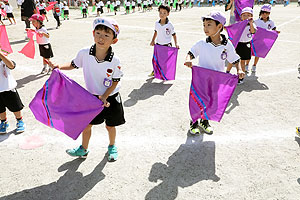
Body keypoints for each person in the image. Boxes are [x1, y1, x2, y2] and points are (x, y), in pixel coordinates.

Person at [48, 17, 125, 162]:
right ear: (93, 33)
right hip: (92, 98)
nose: (101, 38)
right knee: (87, 125)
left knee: (110, 126)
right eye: (98, 33)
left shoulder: (115, 61)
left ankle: (112, 146)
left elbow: (115, 82)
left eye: (106, 35)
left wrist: (105, 96)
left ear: (114, 40)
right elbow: (73, 64)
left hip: (111, 97)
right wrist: (59, 66)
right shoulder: (85, 53)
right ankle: (83, 149)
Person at [184, 11, 244, 135]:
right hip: (201, 78)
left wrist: (239, 69)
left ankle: (204, 122)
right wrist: (188, 59)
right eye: (204, 25)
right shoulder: (202, 43)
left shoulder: (227, 45)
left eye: (209, 25)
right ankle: (194, 122)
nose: (205, 28)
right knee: (198, 100)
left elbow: (235, 58)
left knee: (211, 101)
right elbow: (191, 53)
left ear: (219, 27)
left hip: (217, 79)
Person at [246, 4, 280, 73]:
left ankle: (254, 65)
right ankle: (247, 65)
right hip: (254, 41)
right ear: (260, 13)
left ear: (269, 14)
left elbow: (274, 30)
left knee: (257, 54)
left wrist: (276, 32)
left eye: (266, 13)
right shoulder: (256, 21)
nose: (264, 15)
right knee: (250, 53)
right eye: (263, 13)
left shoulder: (271, 22)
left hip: (262, 41)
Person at [226, 7, 256, 84]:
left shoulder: (252, 25)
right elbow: (232, 30)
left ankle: (241, 77)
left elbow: (253, 31)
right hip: (237, 44)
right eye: (244, 15)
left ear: (251, 16)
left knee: (242, 62)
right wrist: (227, 28)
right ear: (241, 16)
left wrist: (251, 23)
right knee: (232, 59)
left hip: (246, 45)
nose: (246, 17)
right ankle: (227, 72)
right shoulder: (238, 24)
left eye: (248, 15)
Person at [149, 5, 179, 76]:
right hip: (158, 45)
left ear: (168, 14)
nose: (162, 14)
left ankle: (164, 73)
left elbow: (174, 34)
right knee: (155, 59)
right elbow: (156, 32)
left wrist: (176, 43)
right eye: (160, 12)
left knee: (164, 61)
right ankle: (155, 71)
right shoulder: (157, 23)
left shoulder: (169, 24)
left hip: (166, 45)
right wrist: (152, 40)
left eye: (164, 13)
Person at [0, 52, 25, 134]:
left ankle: (19, 120)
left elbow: (12, 66)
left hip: (8, 87)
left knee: (15, 106)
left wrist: (1, 55)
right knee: (0, 109)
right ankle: (3, 122)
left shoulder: (4, 58)